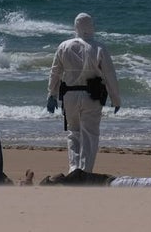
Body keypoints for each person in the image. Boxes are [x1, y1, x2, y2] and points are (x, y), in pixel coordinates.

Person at [45, 12, 121, 173]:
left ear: (75, 26)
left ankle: (73, 169)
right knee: (90, 134)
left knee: (73, 132)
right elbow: (109, 75)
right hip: (91, 96)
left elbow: (55, 72)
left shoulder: (64, 46)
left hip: (69, 96)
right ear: (91, 26)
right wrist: (116, 99)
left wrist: (51, 94)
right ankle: (85, 171)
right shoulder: (99, 47)